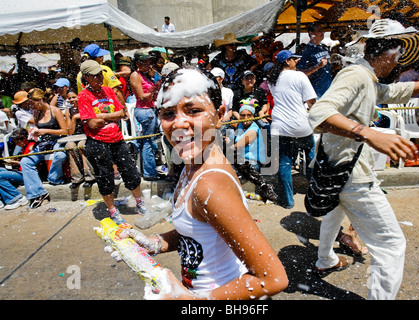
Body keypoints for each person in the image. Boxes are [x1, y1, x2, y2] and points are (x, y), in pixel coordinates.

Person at [114, 67, 288, 299]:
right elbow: (200, 231)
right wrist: (155, 243)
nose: (179, 123)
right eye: (168, 114)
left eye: (193, 111)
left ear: (219, 115)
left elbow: (272, 279)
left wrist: (193, 300)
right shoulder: (194, 163)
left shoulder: (210, 184)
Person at [308, 19, 419, 300]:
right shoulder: (356, 76)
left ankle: (325, 260)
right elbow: (319, 113)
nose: (398, 61)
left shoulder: (367, 78)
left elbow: (392, 92)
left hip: (335, 168)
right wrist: (368, 134)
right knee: (391, 244)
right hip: (351, 173)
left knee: (335, 214)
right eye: (397, 55)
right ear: (386, 54)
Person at [77, 60, 147, 224]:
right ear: (86, 77)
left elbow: (122, 113)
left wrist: (101, 116)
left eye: (100, 74)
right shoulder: (83, 97)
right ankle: (113, 211)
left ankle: (139, 203)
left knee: (130, 171)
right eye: (95, 75)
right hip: (97, 143)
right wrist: (110, 115)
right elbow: (91, 123)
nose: (100, 77)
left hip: (117, 139)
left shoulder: (109, 91)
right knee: (105, 177)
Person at [267, 50, 317, 208]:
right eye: (294, 59)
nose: (297, 61)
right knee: (311, 155)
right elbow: (311, 102)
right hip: (300, 125)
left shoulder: (271, 79)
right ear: (287, 61)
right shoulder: (300, 76)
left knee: (284, 164)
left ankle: (288, 201)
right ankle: (314, 192)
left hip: (280, 126)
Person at [20, 88, 68, 209]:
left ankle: (54, 179)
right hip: (43, 143)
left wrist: (46, 130)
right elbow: (39, 129)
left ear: (40, 100)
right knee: (25, 161)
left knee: (60, 155)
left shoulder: (55, 111)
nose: (31, 106)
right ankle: (37, 192)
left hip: (58, 140)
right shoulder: (36, 113)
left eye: (33, 103)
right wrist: (36, 133)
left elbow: (65, 131)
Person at [129, 49, 159, 181]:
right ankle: (149, 172)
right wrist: (154, 90)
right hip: (144, 111)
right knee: (148, 141)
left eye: (149, 64)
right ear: (138, 64)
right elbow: (141, 96)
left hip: (150, 109)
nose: (148, 66)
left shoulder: (146, 74)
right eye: (145, 64)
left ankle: (149, 169)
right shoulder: (135, 76)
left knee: (149, 141)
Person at [64, 90, 96, 189]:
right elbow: (69, 131)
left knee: (81, 145)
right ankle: (77, 177)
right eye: (69, 98)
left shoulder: (86, 107)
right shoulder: (68, 111)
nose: (71, 100)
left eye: (74, 97)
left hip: (87, 134)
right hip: (75, 136)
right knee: (70, 146)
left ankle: (89, 176)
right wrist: (74, 118)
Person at [297, 23, 332, 98]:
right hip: (315, 93)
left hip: (328, 91)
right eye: (319, 31)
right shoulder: (306, 51)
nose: (323, 32)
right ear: (311, 33)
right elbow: (300, 74)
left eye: (322, 30)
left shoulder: (324, 47)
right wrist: (318, 66)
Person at [0, 128, 32, 210]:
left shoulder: (31, 147)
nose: (17, 145)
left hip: (27, 174)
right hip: (20, 172)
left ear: (24, 139)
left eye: (17, 142)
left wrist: (17, 163)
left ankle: (17, 198)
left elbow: (33, 165)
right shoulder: (23, 147)